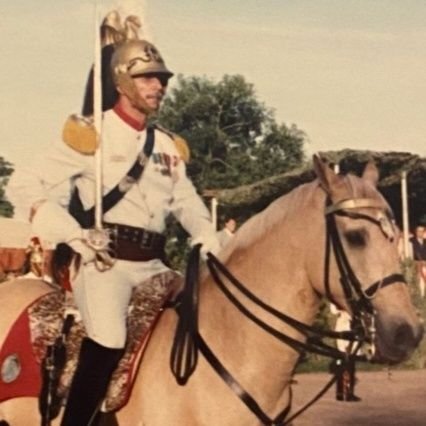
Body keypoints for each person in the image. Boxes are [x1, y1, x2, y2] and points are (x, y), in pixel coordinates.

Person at [6, 31, 221, 425]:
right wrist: (71, 233)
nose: (160, 86)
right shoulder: (93, 134)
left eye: (163, 79)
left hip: (155, 264)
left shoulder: (168, 146)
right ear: (122, 82)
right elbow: (23, 183)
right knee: (108, 340)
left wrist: (206, 233)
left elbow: (185, 201)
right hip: (106, 265)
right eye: (148, 78)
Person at [329, 303, 361, 402]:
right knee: (345, 364)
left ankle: (346, 392)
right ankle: (344, 393)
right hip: (344, 331)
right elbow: (334, 310)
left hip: (351, 329)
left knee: (349, 364)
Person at [410, 225, 426, 297]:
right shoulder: (411, 241)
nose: (420, 233)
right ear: (415, 232)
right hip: (416, 264)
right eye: (419, 231)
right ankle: (420, 295)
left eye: (422, 231)